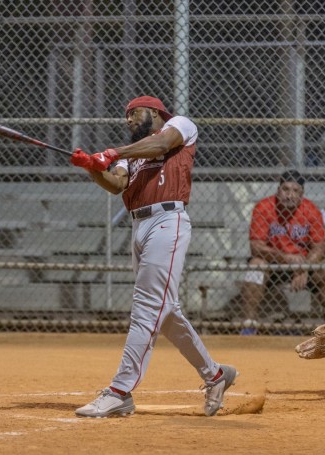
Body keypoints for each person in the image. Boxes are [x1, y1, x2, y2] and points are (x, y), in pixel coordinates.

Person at [69, 95, 237, 418]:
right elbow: (116, 184)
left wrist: (114, 152)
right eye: (126, 116)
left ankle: (120, 391)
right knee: (167, 314)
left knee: (146, 306)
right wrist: (93, 168)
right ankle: (216, 375)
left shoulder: (179, 126)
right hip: (139, 227)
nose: (129, 119)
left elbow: (162, 145)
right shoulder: (131, 156)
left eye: (135, 113)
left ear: (156, 113)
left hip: (168, 220)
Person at [240, 170, 325, 325]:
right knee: (255, 267)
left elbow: (320, 246)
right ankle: (249, 324)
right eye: (285, 189)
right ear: (278, 190)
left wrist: (304, 267)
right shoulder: (264, 207)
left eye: (295, 191)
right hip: (273, 264)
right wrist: (286, 258)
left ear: (302, 194)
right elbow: (256, 247)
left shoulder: (311, 210)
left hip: (305, 264)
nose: (289, 195)